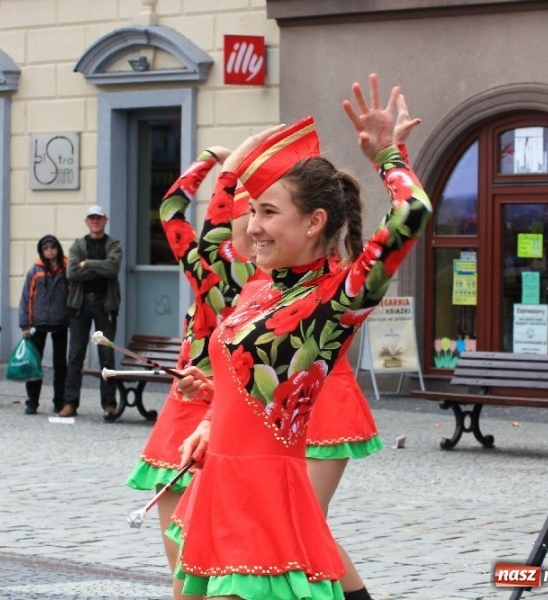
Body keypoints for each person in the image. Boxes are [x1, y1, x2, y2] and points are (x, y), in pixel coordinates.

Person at [172, 75, 433, 600]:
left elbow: (412, 214)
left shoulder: (335, 300)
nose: (254, 227)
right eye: (253, 211)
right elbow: (214, 233)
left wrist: (388, 154)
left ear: (315, 222)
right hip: (219, 486)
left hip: (265, 503)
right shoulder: (259, 287)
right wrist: (208, 411)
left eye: (268, 212)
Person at [125, 148, 255, 598]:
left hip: (194, 411)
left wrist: (218, 163)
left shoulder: (212, 271)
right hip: (240, 416)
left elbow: (171, 208)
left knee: (185, 567)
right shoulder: (277, 279)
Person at [62, 205, 123, 420]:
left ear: (105, 220)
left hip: (105, 305)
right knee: (75, 355)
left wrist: (87, 264)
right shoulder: (78, 245)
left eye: (98, 218)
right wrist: (100, 270)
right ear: (86, 222)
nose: (95, 221)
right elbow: (72, 273)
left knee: (106, 356)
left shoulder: (112, 244)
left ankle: (109, 404)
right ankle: (70, 403)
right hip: (80, 305)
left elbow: (113, 269)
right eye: (91, 218)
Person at [19, 234, 70, 415]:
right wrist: (25, 324)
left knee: (60, 365)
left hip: (60, 321)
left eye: (52, 247)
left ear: (58, 249)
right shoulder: (35, 270)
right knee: (34, 364)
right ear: (41, 251)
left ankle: (59, 402)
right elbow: (27, 298)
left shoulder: (66, 268)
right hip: (38, 323)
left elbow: (72, 294)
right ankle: (32, 402)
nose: (49, 251)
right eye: (45, 248)